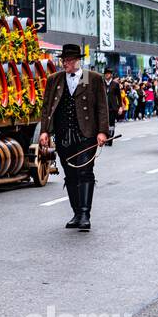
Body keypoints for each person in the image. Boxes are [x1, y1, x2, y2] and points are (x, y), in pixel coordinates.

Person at [39, 44, 110, 231]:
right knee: (70, 174)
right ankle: (77, 213)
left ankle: (85, 214)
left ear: (78, 61)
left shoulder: (92, 78)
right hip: (64, 135)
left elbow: (102, 107)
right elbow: (46, 108)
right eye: (63, 60)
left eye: (68, 60)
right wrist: (45, 131)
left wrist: (102, 131)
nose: (65, 64)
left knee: (85, 171)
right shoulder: (55, 79)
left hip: (86, 134)